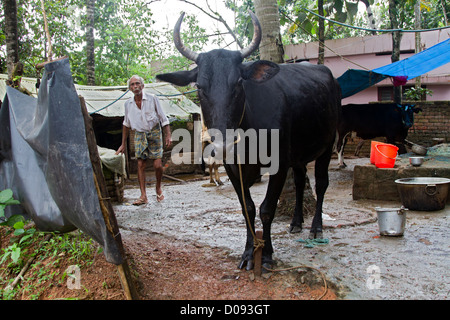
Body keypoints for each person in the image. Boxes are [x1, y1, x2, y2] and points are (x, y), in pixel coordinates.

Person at [116, 75, 172, 205]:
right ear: (129, 88)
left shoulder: (153, 99)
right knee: (141, 164)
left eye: (137, 84)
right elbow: (126, 124)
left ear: (142, 85)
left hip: (154, 132)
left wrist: (168, 135)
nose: (135, 87)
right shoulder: (128, 104)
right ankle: (143, 196)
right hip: (139, 134)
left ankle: (158, 188)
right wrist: (122, 144)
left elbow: (163, 119)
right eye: (132, 85)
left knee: (158, 165)